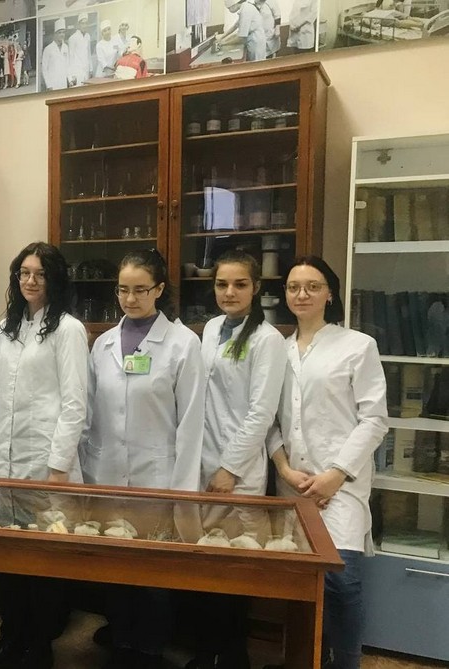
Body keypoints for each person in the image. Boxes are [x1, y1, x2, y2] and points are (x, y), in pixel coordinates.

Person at [81, 249, 204, 669]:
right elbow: (93, 413)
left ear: (159, 289)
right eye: (122, 290)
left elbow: (191, 422)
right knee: (115, 565)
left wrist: (182, 491)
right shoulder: (103, 344)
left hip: (158, 476)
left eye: (140, 290)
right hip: (108, 472)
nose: (130, 299)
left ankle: (149, 650)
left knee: (153, 571)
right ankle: (121, 640)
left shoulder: (183, 344)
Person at [269, 256, 388, 669]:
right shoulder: (277, 350)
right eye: (293, 287)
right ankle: (304, 660)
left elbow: (375, 419)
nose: (302, 294)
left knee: (343, 582)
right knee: (301, 583)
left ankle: (346, 663)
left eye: (312, 286)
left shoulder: (357, 346)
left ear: (330, 294)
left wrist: (336, 475)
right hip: (292, 483)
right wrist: (283, 468)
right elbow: (268, 419)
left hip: (341, 486)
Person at [0, 242, 88, 669]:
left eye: (40, 274)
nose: (30, 281)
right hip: (4, 462)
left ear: (54, 279)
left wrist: (59, 466)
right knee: (4, 556)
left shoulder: (68, 329)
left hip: (45, 462)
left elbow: (75, 404)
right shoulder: (7, 326)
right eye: (24, 273)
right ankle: (11, 635)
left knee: (42, 560)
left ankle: (39, 644)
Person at [185, 250, 287, 669]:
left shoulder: (268, 340)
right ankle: (204, 650)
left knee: (234, 565)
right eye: (222, 284)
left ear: (256, 287)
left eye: (240, 284)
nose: (229, 292)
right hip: (203, 460)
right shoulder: (211, 329)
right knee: (204, 563)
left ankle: (231, 655)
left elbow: (261, 413)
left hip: (238, 470)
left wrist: (229, 468)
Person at [42, 19, 71, 91]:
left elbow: (67, 65)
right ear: (55, 34)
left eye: (63, 32)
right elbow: (44, 69)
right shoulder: (48, 49)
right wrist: (49, 85)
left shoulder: (66, 47)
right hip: (53, 84)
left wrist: (70, 79)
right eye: (59, 32)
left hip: (63, 82)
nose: (62, 35)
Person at [67, 13, 92, 86]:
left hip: (86, 70)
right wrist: (70, 77)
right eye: (82, 23)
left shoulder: (88, 36)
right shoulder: (72, 38)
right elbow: (70, 58)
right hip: (77, 71)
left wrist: (91, 69)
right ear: (78, 25)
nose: (84, 25)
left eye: (86, 23)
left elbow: (89, 54)